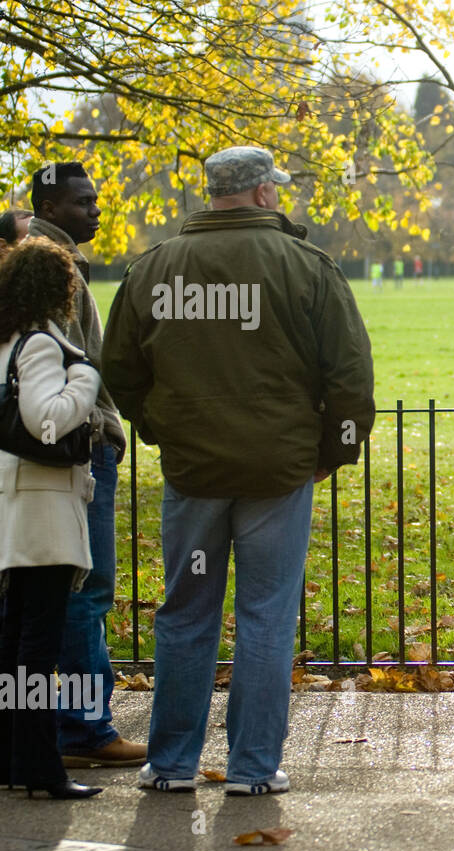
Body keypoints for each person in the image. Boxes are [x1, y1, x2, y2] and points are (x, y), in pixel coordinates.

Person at [102, 146, 375, 795]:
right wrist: (328, 455)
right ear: (259, 193)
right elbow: (350, 377)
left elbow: (119, 369)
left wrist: (164, 427)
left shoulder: (154, 267)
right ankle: (254, 768)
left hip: (194, 470)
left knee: (185, 613)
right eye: (274, 188)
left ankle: (169, 765)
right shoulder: (305, 266)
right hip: (278, 469)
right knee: (265, 615)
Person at [27, 163, 144, 769]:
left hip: (56, 448)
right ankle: (85, 729)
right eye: (82, 202)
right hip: (80, 445)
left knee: (55, 586)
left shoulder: (32, 257)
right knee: (86, 586)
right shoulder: (54, 268)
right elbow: (75, 362)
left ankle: (59, 723)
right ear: (49, 205)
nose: (96, 210)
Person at [0, 237, 104, 799]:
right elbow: (45, 420)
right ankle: (41, 767)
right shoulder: (42, 344)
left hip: (15, 503)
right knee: (37, 641)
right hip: (42, 506)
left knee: (15, 637)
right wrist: (85, 379)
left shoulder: (6, 341)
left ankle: (14, 758)